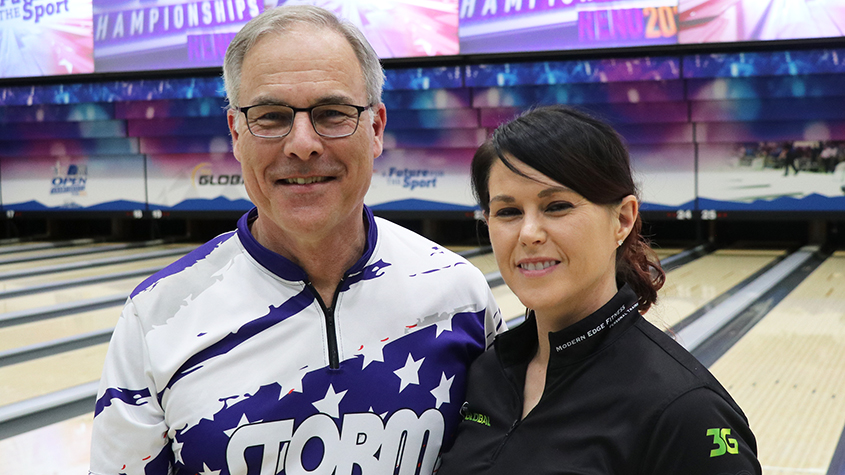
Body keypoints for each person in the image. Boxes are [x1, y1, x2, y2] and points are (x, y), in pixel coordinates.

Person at [89, 6, 502, 475]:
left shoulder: (460, 295)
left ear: (376, 128)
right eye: (270, 116)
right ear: (236, 134)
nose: (302, 143)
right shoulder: (156, 318)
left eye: (332, 113)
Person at [438, 106, 762, 475]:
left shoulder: (684, 410)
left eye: (556, 206)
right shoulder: (487, 371)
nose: (528, 233)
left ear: (623, 219)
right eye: (508, 212)